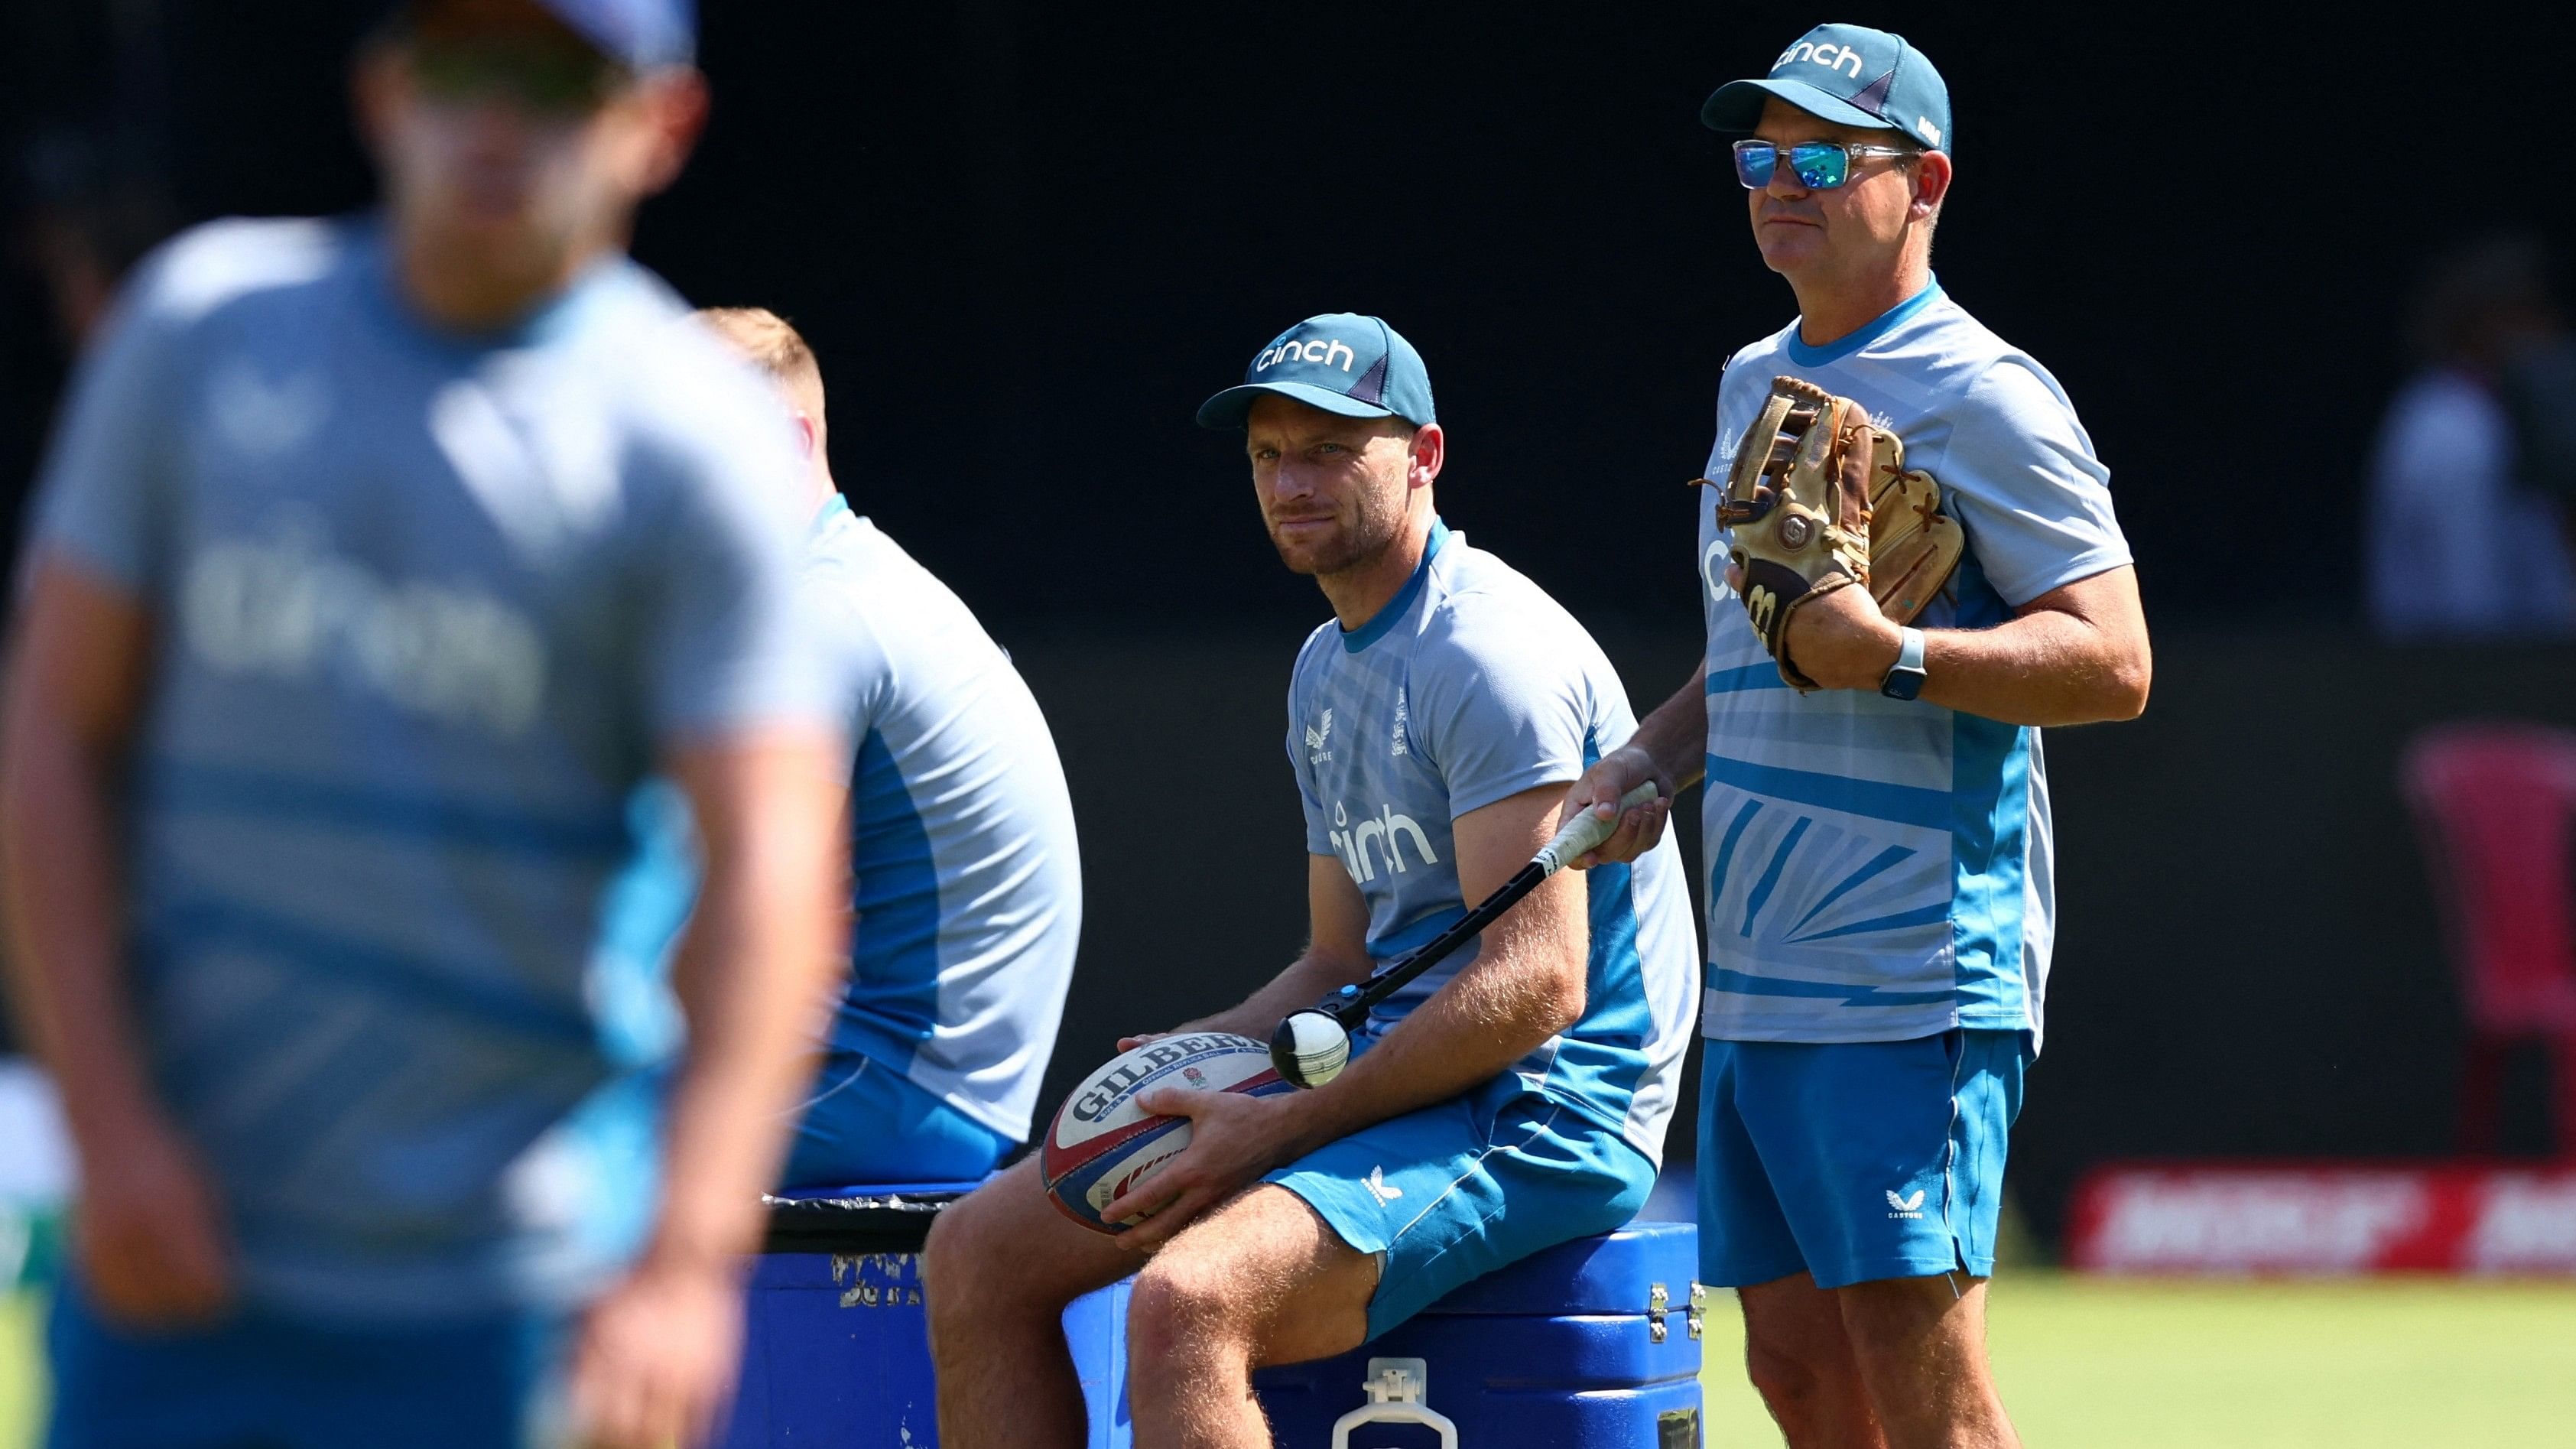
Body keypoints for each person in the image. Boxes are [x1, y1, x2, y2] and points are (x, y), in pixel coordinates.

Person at [0, 4, 848, 1446]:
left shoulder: (696, 446)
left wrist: (685, 1259)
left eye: (559, 82)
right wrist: (112, 1130)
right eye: (463, 68)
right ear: (384, 90)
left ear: (664, 124)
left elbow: (773, 869)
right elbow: (56, 738)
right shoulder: (193, 339)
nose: (498, 124)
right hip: (180, 1269)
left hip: (518, 1304)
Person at [921, 314, 1701, 1447]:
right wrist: (1203, 1044)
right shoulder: (1323, 664)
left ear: (1423, 455)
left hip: (1548, 1105)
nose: (1292, 480)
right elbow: (1340, 962)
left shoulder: (1487, 652)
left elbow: (1539, 987)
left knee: (1188, 1303)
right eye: (1268, 454)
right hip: (1408, 1074)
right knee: (978, 1251)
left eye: (1330, 448)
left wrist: (1272, 1127)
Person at [1564, 24, 2152, 1449]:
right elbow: (1758, 658)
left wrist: (1891, 655)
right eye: (1757, 156)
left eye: (1821, 155)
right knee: (1798, 1377)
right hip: (1757, 970)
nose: (1778, 182)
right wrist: (1647, 761)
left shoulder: (1985, 393)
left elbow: (2114, 664)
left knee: (1922, 1387)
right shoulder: (1742, 380)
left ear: (1923, 180)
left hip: (1908, 975)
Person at [696, 305, 1082, 1187]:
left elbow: (731, 901)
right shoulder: (848, 583)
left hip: (885, 1092)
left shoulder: (817, 612)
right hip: (911, 1090)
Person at [2363, 232, 2576, 640]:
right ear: (2487, 321)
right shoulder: (2452, 432)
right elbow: (2469, 601)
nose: (2551, 332)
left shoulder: (2491, 415)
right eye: (2531, 314)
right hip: (2463, 677)